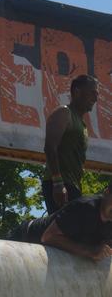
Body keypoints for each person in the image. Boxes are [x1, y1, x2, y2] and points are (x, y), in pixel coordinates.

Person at [8, 185, 112, 261]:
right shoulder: (85, 207)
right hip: (25, 238)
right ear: (107, 192)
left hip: (54, 258)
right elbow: (48, 237)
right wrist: (90, 251)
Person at [42, 74, 98, 213]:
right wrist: (57, 182)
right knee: (62, 226)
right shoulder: (63, 112)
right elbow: (50, 147)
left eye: (97, 94)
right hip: (59, 184)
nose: (95, 98)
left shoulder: (82, 125)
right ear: (77, 91)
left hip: (73, 186)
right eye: (92, 93)